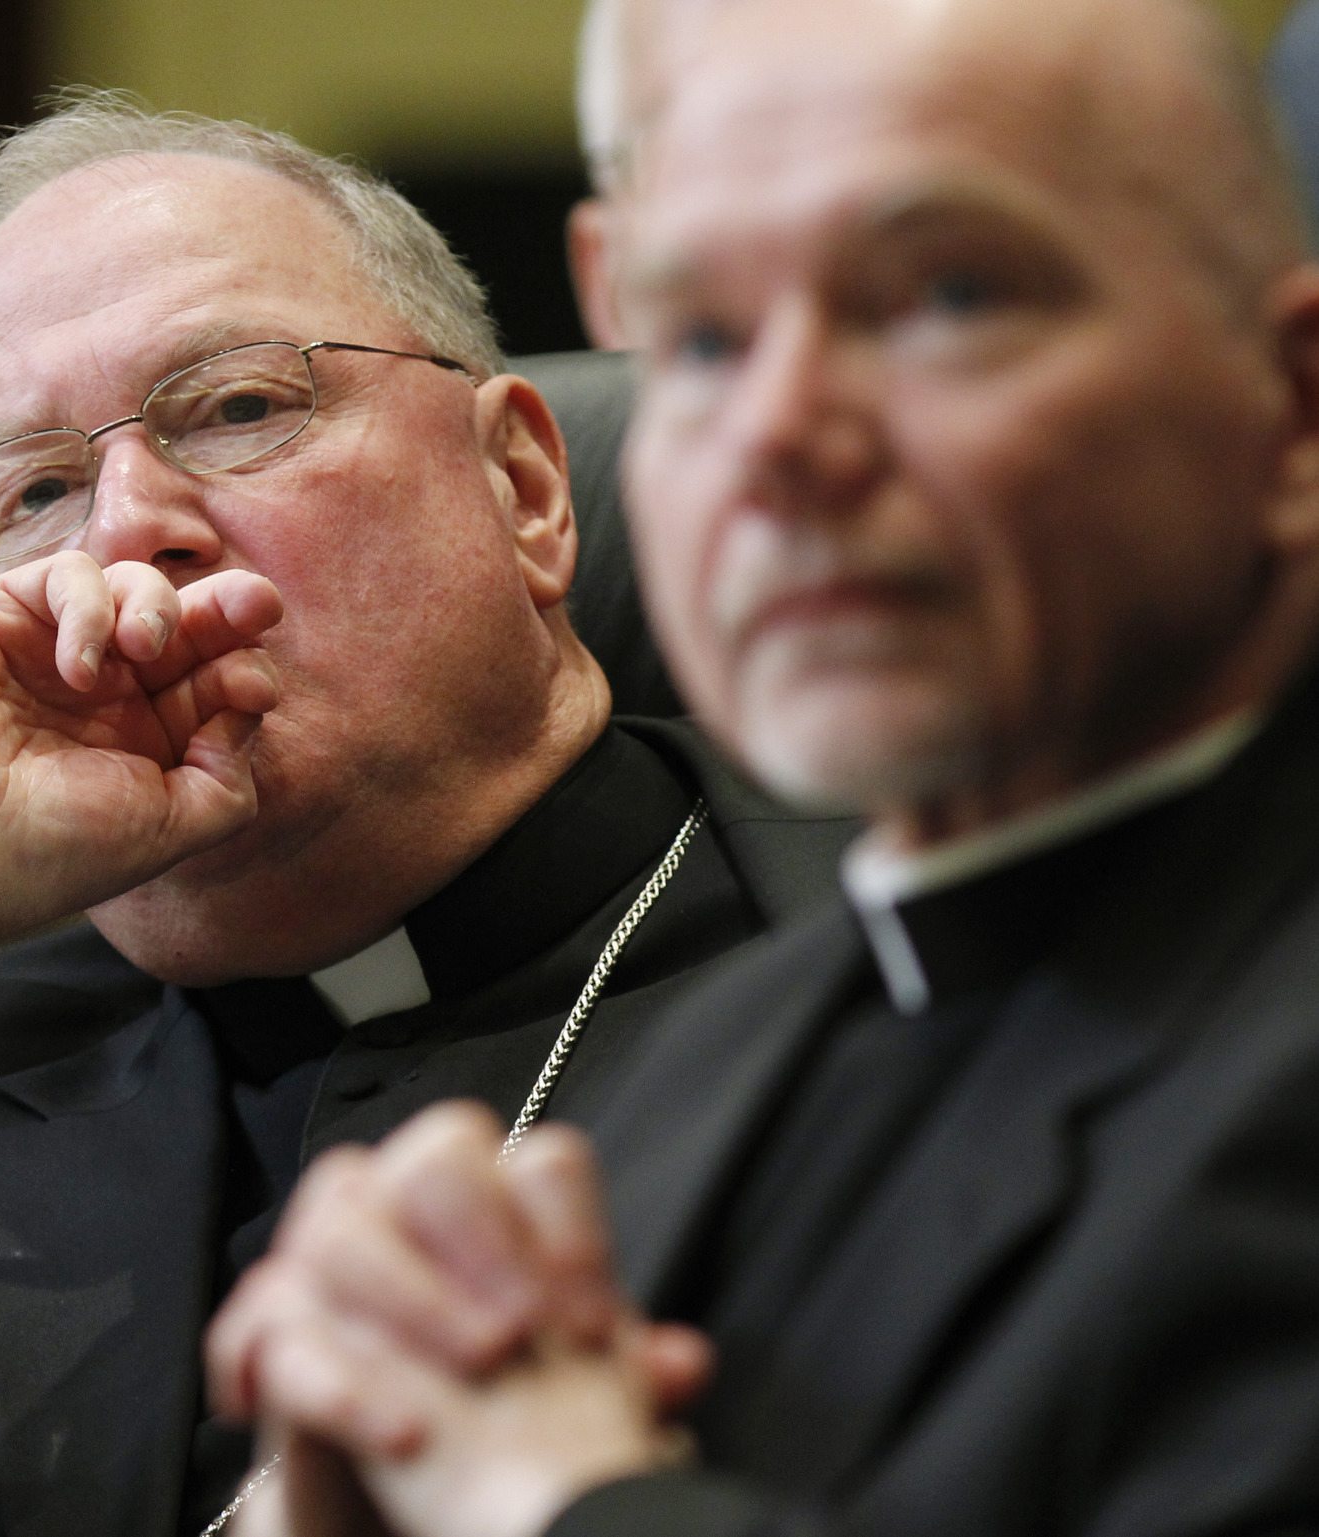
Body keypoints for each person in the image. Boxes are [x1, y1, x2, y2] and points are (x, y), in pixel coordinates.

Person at [0, 97, 857, 1534]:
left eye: (242, 406)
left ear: (520, 488)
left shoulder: (926, 956)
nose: (128, 529)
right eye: (33, 494)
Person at [204, 1, 1319, 1534]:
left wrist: (558, 1504)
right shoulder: (718, 1055)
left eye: (948, 292)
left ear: (1296, 403)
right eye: (708, 337)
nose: (776, 433)